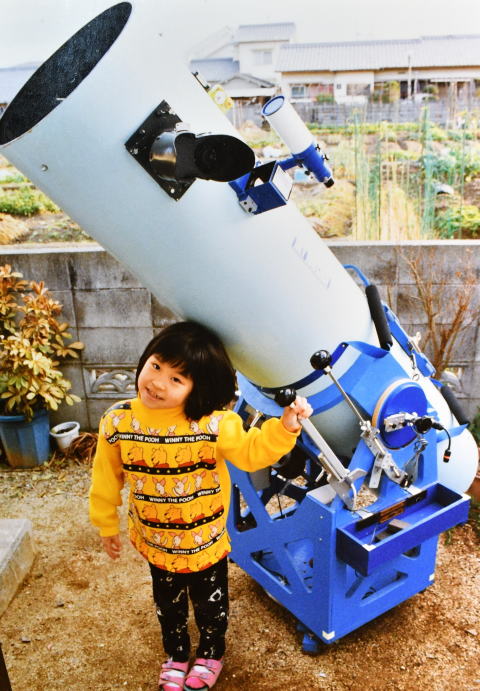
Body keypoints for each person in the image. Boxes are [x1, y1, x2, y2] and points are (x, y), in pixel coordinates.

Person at [89, 320, 312, 691]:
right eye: (156, 365)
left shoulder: (215, 425)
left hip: (204, 540)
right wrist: (105, 522)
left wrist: (285, 426)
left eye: (176, 379)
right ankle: (176, 655)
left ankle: (211, 652)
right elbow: (106, 476)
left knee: (211, 604)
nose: (158, 382)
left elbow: (253, 452)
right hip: (157, 540)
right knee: (168, 604)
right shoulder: (118, 421)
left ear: (200, 387)